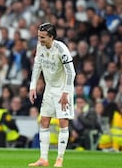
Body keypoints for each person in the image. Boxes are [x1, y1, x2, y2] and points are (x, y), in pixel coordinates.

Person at [28, 23, 76, 167]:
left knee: (63, 122)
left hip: (62, 90)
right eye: (38, 37)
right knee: (44, 121)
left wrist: (66, 93)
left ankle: (59, 159)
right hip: (49, 89)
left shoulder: (61, 49)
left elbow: (71, 72)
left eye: (42, 37)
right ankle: (43, 159)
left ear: (51, 37)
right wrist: (32, 86)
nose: (40, 40)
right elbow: (37, 65)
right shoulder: (40, 47)